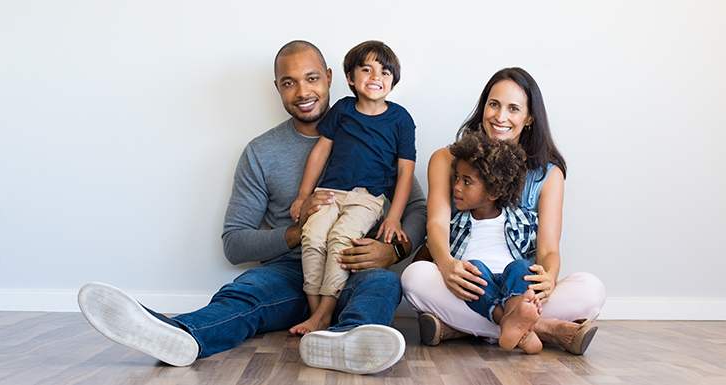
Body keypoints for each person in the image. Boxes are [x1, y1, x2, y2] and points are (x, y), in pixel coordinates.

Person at [77, 40, 428, 375]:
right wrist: (298, 230)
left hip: (356, 266)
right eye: (289, 83)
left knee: (383, 285)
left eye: (312, 78)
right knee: (246, 291)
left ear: (331, 78)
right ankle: (181, 335)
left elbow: (415, 207)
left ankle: (343, 343)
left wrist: (392, 250)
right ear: (277, 88)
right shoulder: (261, 152)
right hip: (290, 273)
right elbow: (235, 243)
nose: (303, 92)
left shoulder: (377, 134)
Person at [401, 67, 605, 355]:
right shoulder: (447, 159)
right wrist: (447, 265)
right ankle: (547, 329)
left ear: (530, 117)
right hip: (467, 281)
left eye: (513, 108)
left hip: (519, 288)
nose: (500, 117)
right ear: (483, 105)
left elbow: (548, 249)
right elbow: (436, 224)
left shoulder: (548, 174)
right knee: (415, 277)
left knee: (591, 289)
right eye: (494, 104)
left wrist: (548, 278)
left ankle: (461, 328)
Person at [288, 41, 416, 335]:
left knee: (341, 238)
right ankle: (315, 312)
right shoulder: (343, 109)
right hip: (329, 193)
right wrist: (304, 195)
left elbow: (406, 173)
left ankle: (325, 313)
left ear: (393, 82)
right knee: (313, 235)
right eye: (367, 69)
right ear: (350, 77)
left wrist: (394, 216)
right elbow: (320, 152)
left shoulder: (401, 120)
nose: (376, 77)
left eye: (384, 72)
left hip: (367, 199)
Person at [441, 132, 544, 354]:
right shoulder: (452, 223)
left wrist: (546, 276)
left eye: (467, 182)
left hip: (511, 285)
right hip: (477, 284)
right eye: (456, 178)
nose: (457, 187)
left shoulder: (523, 220)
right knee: (473, 269)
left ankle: (515, 316)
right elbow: (430, 254)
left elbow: (540, 258)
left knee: (523, 267)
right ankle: (511, 324)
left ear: (495, 191)